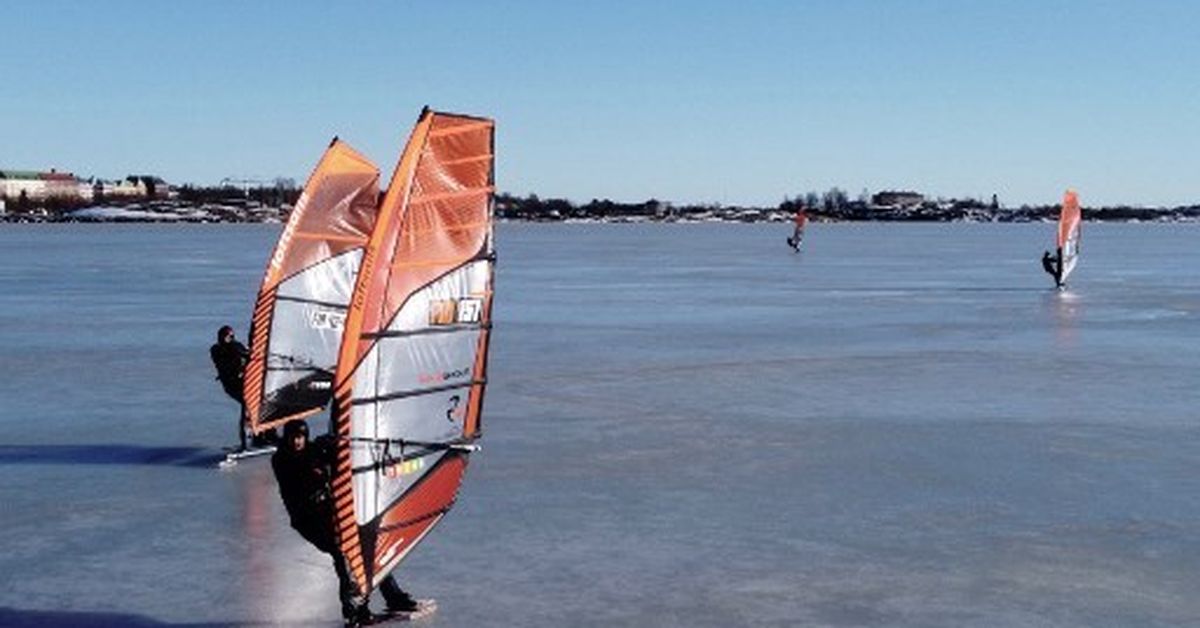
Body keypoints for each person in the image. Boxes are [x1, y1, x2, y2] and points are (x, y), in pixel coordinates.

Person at [272, 420, 420, 627]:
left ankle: (393, 596)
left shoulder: (312, 449)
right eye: (293, 438)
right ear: (286, 439)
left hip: (329, 512)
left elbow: (331, 461)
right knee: (342, 554)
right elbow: (302, 472)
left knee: (366, 545)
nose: (297, 441)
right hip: (308, 520)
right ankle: (354, 611)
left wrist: (332, 446)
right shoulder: (281, 459)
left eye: (300, 437)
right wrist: (322, 454)